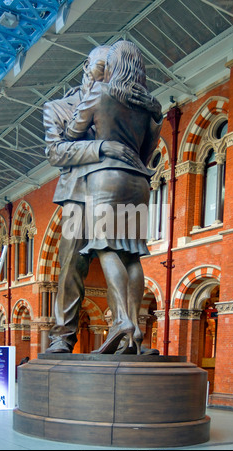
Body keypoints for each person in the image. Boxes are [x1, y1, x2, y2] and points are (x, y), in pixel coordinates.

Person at [43, 44, 162, 354]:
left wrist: (154, 117)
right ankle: (63, 337)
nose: (105, 75)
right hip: (77, 196)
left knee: (128, 255)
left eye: (108, 69)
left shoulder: (125, 97)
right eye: (100, 69)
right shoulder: (57, 107)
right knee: (72, 265)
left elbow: (142, 152)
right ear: (87, 68)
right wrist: (101, 149)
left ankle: (127, 334)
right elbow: (56, 152)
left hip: (117, 185)